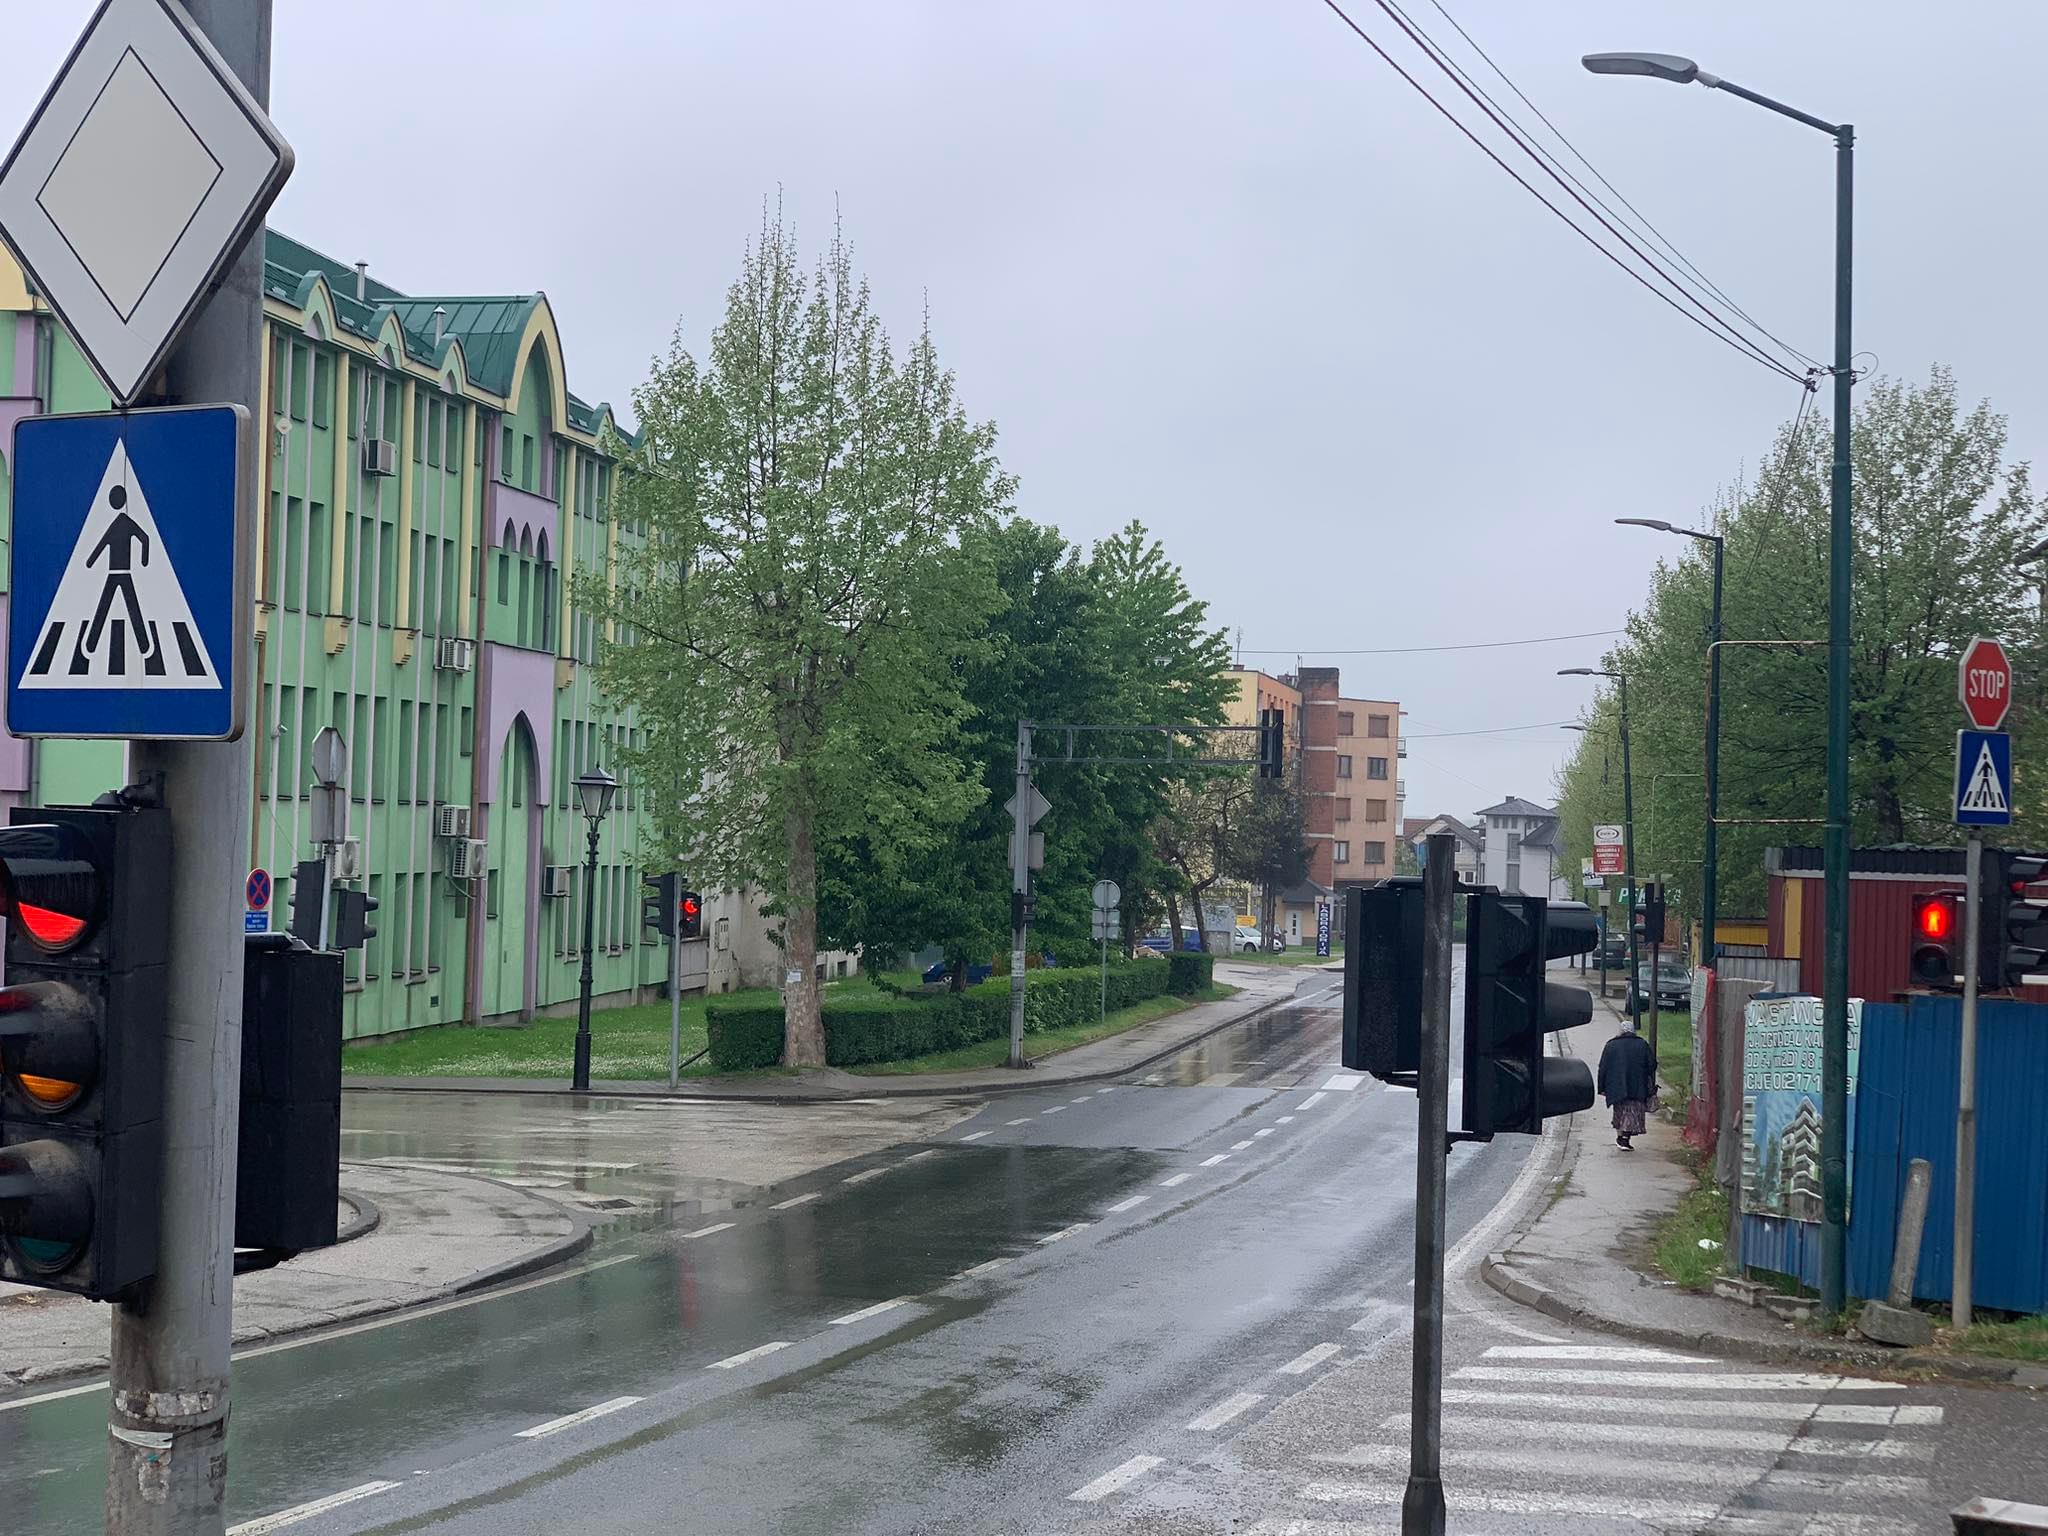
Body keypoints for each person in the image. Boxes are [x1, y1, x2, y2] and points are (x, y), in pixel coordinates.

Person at [1596, 1018, 1658, 1150]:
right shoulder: (1642, 1044)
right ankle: (1624, 1138)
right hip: (1638, 1086)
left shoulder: (1611, 1045)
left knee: (1619, 1112)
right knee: (1632, 1112)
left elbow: (1603, 1068)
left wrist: (1601, 1087)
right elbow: (1652, 1065)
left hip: (1616, 1086)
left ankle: (1621, 1137)